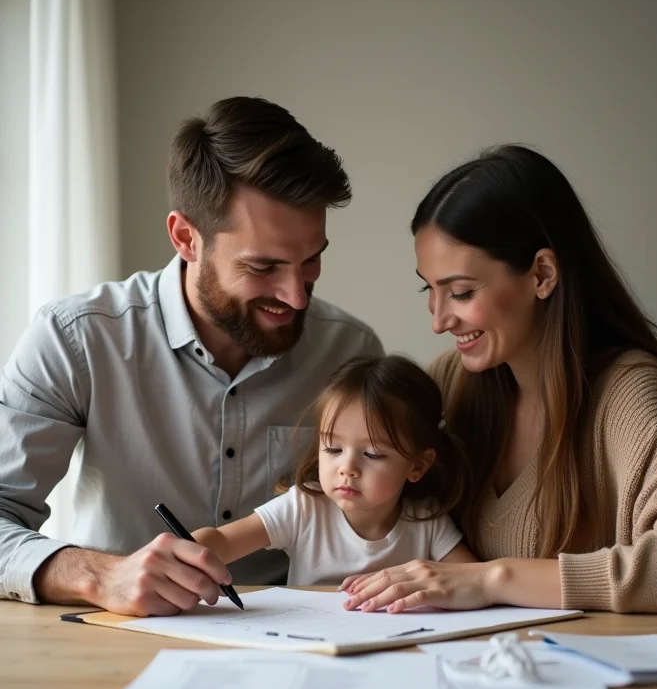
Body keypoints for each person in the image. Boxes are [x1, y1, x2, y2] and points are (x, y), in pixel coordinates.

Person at [0, 96, 383, 616]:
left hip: (298, 639)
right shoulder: (76, 340)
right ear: (186, 237)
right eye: (264, 266)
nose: (296, 295)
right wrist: (101, 575)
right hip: (118, 640)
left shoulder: (350, 354)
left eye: (311, 259)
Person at [341, 145, 657, 615]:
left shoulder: (626, 392)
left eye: (460, 292)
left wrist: (492, 578)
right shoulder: (450, 383)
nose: (438, 320)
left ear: (542, 274)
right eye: (428, 289)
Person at [192, 355, 475, 588]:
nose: (347, 469)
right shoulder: (304, 507)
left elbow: (475, 577)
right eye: (333, 449)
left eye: (373, 454)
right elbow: (225, 541)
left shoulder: (426, 520)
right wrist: (191, 548)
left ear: (416, 466)